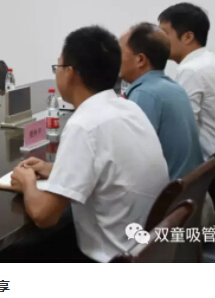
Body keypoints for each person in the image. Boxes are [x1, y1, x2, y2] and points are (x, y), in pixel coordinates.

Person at [10, 26, 169, 262]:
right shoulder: (128, 108)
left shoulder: (84, 124)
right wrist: (54, 169)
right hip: (147, 249)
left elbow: (44, 216)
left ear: (71, 73)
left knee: (19, 251)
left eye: (58, 66)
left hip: (112, 259)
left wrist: (27, 183)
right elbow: (108, 169)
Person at [159, 3, 215, 212]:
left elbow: (183, 131)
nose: (159, 41)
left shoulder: (191, 70)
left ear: (187, 37)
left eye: (164, 33)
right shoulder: (212, 60)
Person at [119, 22, 203, 179]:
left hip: (168, 192)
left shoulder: (144, 95)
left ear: (140, 60)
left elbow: (130, 161)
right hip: (189, 187)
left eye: (119, 52)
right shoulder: (172, 87)